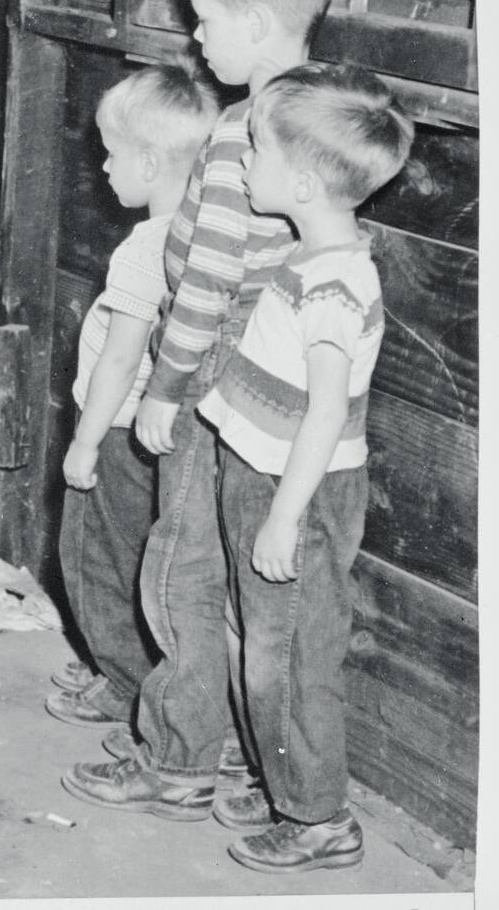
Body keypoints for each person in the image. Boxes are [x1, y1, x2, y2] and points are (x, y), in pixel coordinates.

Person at [61, 0, 338, 821]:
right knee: (227, 578)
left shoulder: (237, 138)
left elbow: (207, 282)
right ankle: (226, 753)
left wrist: (167, 390)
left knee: (178, 568)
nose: (193, 35)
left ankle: (179, 757)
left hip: (211, 369)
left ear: (255, 26)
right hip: (280, 375)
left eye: (204, 19)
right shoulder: (312, 117)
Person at [202, 63, 412, 871]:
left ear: (300, 180)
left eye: (254, 149)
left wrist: (284, 516)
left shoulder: (333, 283)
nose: (245, 163)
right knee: (261, 636)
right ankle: (281, 774)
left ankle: (319, 815)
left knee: (287, 651)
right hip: (262, 470)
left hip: (296, 487)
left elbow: (325, 412)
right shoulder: (309, 252)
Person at [48, 64, 218, 732]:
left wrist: (84, 443)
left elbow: (120, 358)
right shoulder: (201, 236)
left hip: (116, 431)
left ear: (149, 161)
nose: (103, 168)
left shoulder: (144, 250)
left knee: (94, 557)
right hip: (165, 434)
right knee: (145, 559)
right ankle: (133, 668)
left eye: (111, 154)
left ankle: (120, 681)